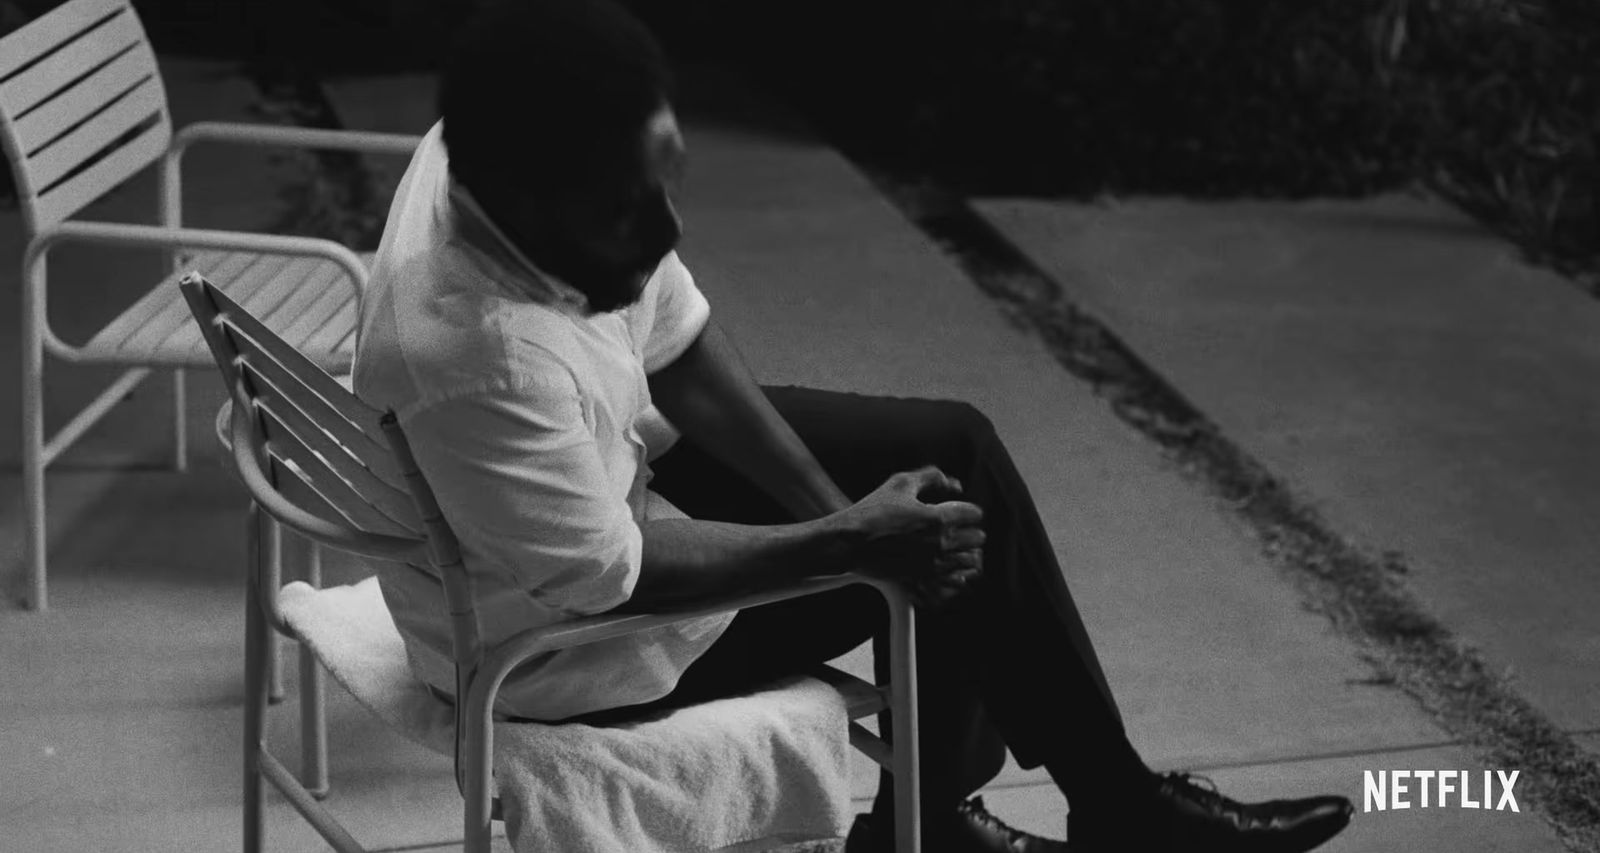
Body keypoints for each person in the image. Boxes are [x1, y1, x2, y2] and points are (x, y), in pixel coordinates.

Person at [351, 1, 1356, 850]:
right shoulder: (474, 352)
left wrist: (840, 511)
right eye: (626, 206)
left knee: (945, 461)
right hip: (577, 651)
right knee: (932, 549)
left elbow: (679, 344)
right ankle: (1001, 819)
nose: (662, 225)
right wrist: (854, 543)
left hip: (610, 479)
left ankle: (1058, 807)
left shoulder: (521, 144)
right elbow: (615, 577)